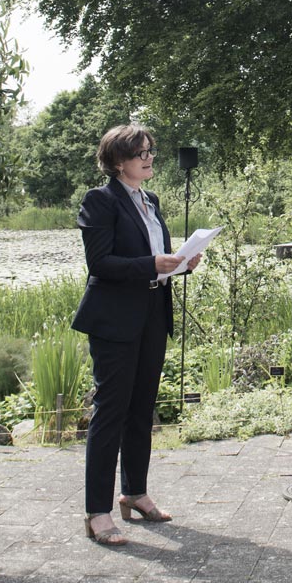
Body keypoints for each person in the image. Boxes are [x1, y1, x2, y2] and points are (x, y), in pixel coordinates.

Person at [72, 125, 201, 546]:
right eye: (138, 152)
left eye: (150, 150)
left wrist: (180, 264)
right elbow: (101, 263)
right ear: (116, 160)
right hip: (114, 320)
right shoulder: (100, 200)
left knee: (142, 408)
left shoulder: (152, 200)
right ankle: (97, 512)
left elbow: (154, 258)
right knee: (111, 412)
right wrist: (152, 264)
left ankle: (135, 492)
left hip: (151, 313)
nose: (147, 157)